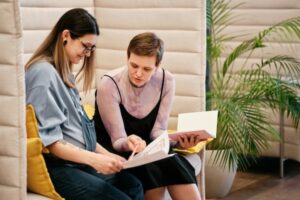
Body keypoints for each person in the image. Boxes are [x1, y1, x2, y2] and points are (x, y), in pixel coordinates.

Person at [25, 8, 143, 200]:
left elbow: (78, 132)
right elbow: (52, 143)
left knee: (133, 185)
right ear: (66, 36)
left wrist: (109, 156)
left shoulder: (63, 74)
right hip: (59, 166)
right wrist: (95, 161)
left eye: (91, 49)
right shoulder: (43, 74)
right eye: (85, 46)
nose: (87, 54)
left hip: (76, 162)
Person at [94, 32, 203, 200]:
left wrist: (179, 140)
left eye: (147, 69)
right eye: (134, 65)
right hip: (118, 151)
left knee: (172, 160)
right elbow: (118, 141)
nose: (138, 73)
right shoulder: (109, 85)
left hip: (149, 148)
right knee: (153, 166)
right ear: (127, 57)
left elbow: (158, 131)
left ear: (158, 65)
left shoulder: (167, 81)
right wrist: (131, 142)